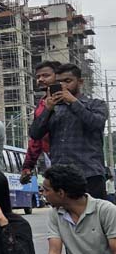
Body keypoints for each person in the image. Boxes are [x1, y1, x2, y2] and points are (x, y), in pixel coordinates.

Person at [34, 164, 116, 254]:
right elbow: (54, 251)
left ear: (61, 193)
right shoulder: (55, 213)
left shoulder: (105, 210)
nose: (43, 193)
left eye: (46, 190)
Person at [28, 63, 110, 199]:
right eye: (59, 82)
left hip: (89, 174)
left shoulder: (96, 104)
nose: (64, 85)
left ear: (80, 82)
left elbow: (95, 123)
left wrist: (73, 101)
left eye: (68, 81)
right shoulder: (54, 108)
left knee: (92, 217)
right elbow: (35, 134)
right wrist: (47, 109)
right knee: (63, 217)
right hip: (60, 176)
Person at [20, 60, 61, 184]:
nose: (40, 79)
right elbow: (36, 139)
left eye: (45, 75)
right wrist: (28, 166)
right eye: (38, 77)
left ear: (58, 76)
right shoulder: (42, 104)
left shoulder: (72, 100)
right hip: (54, 160)